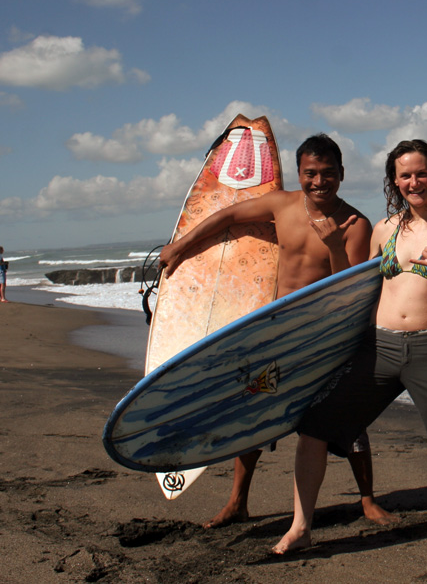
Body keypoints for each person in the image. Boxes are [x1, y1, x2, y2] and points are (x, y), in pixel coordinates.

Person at [273, 139, 427, 555]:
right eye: (405, 175)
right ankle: (300, 527)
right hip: (378, 347)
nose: (414, 181)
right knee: (314, 428)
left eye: (421, 173)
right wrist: (333, 247)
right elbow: (354, 288)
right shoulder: (385, 229)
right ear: (394, 181)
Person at [160, 134, 396, 529]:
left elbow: (348, 293)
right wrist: (179, 246)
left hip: (325, 338)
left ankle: (368, 500)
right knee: (254, 408)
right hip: (276, 332)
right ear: (300, 173)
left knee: (347, 416)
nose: (319, 182)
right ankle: (238, 501)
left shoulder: (355, 224)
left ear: (342, 173)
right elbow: (229, 216)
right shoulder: (283, 204)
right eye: (310, 173)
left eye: (327, 173)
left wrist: (335, 246)